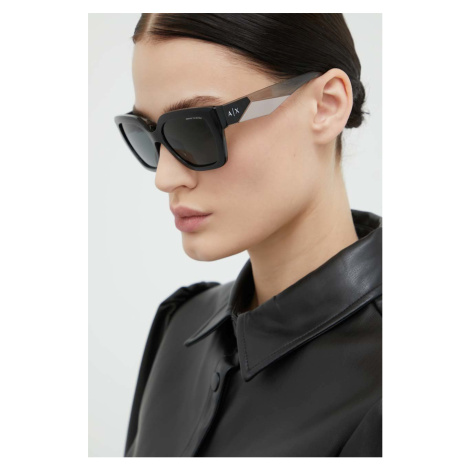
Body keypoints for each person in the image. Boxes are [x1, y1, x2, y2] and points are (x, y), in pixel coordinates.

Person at [114, 13, 382, 457]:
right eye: (148, 136)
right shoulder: (180, 326)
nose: (165, 177)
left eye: (197, 127)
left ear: (326, 105)